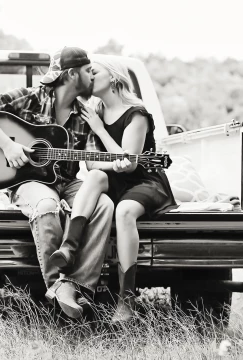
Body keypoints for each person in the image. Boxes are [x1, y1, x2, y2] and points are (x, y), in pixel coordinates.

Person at [0, 47, 114, 319]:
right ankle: (57, 289)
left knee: (103, 204)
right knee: (47, 205)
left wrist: (117, 161)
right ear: (71, 74)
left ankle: (77, 286)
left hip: (66, 182)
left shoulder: (86, 115)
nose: (92, 77)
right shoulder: (30, 97)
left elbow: (92, 164)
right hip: (28, 182)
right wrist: (8, 146)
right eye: (87, 71)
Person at [50, 57, 177, 323]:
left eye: (94, 72)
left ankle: (126, 301)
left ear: (115, 78)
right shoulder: (93, 109)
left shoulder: (137, 114)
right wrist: (110, 156)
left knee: (124, 211)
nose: (89, 78)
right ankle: (69, 247)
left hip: (146, 181)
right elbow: (91, 161)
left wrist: (99, 129)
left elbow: (130, 165)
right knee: (94, 176)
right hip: (114, 178)